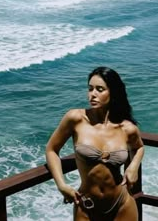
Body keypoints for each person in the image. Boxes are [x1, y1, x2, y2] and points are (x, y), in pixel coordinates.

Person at [46, 66, 144, 220]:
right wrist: (62, 185)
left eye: (100, 89)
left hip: (121, 203)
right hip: (86, 205)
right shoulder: (75, 119)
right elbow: (51, 150)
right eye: (90, 89)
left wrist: (133, 167)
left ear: (113, 93)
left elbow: (139, 148)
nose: (93, 94)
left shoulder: (127, 128)